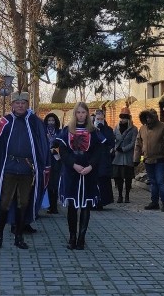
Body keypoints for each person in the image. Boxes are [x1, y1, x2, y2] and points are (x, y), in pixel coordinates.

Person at [0, 91, 48, 251]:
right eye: (17, 103)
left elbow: (43, 146)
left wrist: (43, 165)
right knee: (4, 202)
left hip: (27, 170)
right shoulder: (4, 122)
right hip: (8, 169)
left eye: (23, 103)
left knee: (23, 203)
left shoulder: (35, 122)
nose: (20, 106)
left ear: (27, 105)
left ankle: (19, 236)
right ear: (12, 105)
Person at [53, 102, 104, 250]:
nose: (81, 115)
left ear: (87, 114)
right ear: (74, 114)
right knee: (72, 206)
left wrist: (90, 166)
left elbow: (98, 152)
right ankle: (72, 237)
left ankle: (82, 238)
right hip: (71, 172)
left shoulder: (94, 131)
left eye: (83, 112)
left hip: (88, 172)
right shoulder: (67, 131)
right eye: (78, 112)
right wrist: (73, 165)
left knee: (86, 205)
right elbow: (63, 151)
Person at [133, 108, 164, 211]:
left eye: (150, 117)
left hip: (160, 159)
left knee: (160, 181)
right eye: (146, 117)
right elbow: (138, 144)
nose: (148, 119)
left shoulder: (163, 127)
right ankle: (154, 202)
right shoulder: (142, 128)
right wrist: (136, 159)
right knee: (153, 182)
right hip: (148, 159)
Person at [112, 107, 137, 203]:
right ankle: (120, 195)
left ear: (129, 118)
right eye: (121, 117)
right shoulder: (116, 128)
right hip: (117, 157)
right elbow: (113, 139)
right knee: (118, 177)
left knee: (128, 178)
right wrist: (115, 147)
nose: (123, 119)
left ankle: (127, 195)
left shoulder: (133, 129)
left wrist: (124, 149)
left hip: (127, 157)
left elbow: (133, 142)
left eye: (125, 117)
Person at [93, 108, 115, 210]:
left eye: (101, 119)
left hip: (104, 159)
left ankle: (101, 201)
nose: (99, 120)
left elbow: (111, 143)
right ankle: (92, 201)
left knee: (102, 181)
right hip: (92, 159)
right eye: (98, 118)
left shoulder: (109, 130)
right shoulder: (91, 128)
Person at [43, 113, 62, 214]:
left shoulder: (60, 132)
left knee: (54, 183)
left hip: (56, 159)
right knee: (47, 183)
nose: (51, 123)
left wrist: (55, 149)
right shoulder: (43, 132)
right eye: (49, 121)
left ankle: (54, 206)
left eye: (52, 121)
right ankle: (49, 205)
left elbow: (63, 144)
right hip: (46, 159)